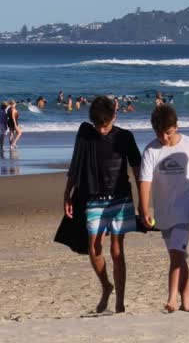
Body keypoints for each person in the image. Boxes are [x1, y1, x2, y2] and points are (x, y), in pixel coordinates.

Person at [63, 96, 142, 314]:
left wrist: (144, 204)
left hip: (121, 198)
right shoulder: (86, 135)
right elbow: (75, 162)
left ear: (114, 117)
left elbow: (137, 169)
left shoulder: (125, 137)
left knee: (117, 251)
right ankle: (107, 286)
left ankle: (120, 302)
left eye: (105, 125)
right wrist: (67, 193)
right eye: (98, 125)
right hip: (93, 198)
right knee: (94, 248)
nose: (101, 130)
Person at [138, 105, 189, 313]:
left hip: (185, 209)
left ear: (176, 127)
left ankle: (171, 298)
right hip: (163, 211)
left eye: (168, 132)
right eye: (159, 133)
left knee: (177, 252)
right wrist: (144, 209)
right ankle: (187, 301)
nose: (164, 137)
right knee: (177, 257)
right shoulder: (151, 150)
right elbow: (145, 181)